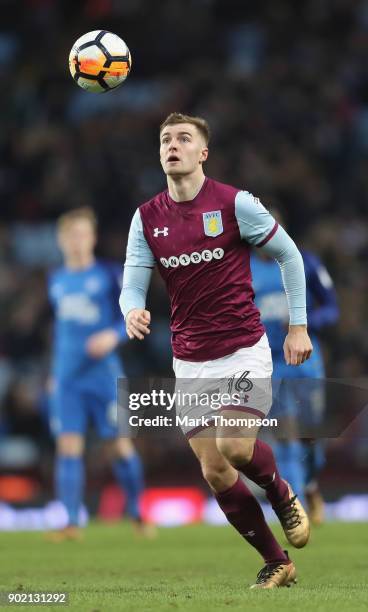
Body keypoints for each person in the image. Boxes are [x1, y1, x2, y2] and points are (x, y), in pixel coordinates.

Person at [120, 112, 313, 588]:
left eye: (184, 138)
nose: (173, 145)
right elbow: (131, 282)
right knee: (214, 468)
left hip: (243, 348)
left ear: (203, 152)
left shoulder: (235, 203)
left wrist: (298, 327)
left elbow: (289, 255)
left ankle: (280, 490)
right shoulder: (147, 218)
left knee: (233, 444)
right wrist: (131, 310)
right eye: (166, 139)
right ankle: (277, 562)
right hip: (189, 358)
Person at [48, 207, 149, 541]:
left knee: (120, 447)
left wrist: (113, 335)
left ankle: (138, 514)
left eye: (82, 234)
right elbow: (61, 331)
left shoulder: (108, 275)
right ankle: (72, 522)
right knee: (68, 446)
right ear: (61, 241)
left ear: (92, 238)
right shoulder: (56, 280)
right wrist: (54, 372)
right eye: (70, 235)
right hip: (68, 380)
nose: (76, 241)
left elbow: (134, 316)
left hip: (105, 377)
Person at [251, 233, 339, 523]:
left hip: (304, 359)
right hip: (270, 362)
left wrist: (305, 323)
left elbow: (331, 308)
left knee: (309, 436)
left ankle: (310, 484)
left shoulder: (305, 263)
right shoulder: (243, 270)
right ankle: (296, 503)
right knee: (284, 434)